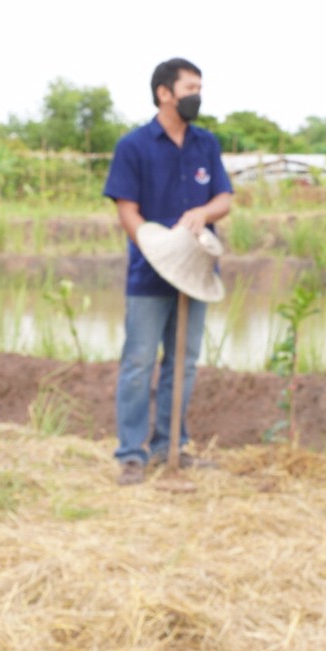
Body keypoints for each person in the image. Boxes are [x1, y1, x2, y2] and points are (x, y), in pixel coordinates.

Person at [103, 58, 233, 486]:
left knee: (185, 362)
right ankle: (131, 454)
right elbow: (127, 211)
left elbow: (223, 200)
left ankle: (169, 446)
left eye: (200, 87)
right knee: (139, 362)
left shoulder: (205, 144)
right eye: (190, 87)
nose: (197, 95)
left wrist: (202, 212)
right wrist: (159, 249)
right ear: (165, 93)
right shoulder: (134, 146)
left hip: (196, 274)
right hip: (149, 275)